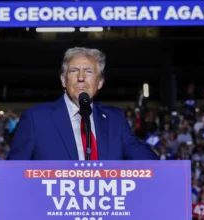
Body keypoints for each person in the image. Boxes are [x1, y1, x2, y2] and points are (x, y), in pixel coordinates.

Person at [8, 47, 158, 160]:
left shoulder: (115, 118)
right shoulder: (36, 118)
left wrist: (169, 170)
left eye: (89, 71)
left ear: (99, 82)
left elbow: (145, 157)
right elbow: (13, 173)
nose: (81, 77)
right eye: (74, 71)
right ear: (63, 80)